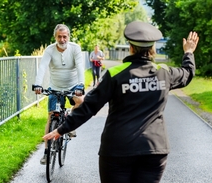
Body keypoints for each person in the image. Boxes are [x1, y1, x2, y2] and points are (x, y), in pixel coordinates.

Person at [42, 21, 199, 182]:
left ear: (130, 47)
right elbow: (187, 73)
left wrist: (62, 129)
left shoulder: (115, 74)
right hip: (154, 149)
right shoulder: (164, 73)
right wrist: (188, 52)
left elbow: (89, 107)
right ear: (153, 49)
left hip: (117, 149)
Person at [33, 24, 85, 165]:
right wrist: (38, 84)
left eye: (64, 36)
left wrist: (81, 84)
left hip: (73, 85)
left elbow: (80, 66)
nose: (62, 39)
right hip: (55, 86)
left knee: (80, 100)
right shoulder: (50, 50)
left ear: (68, 36)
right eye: (59, 37)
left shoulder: (75, 48)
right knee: (51, 116)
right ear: (55, 37)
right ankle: (46, 153)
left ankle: (71, 122)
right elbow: (43, 66)